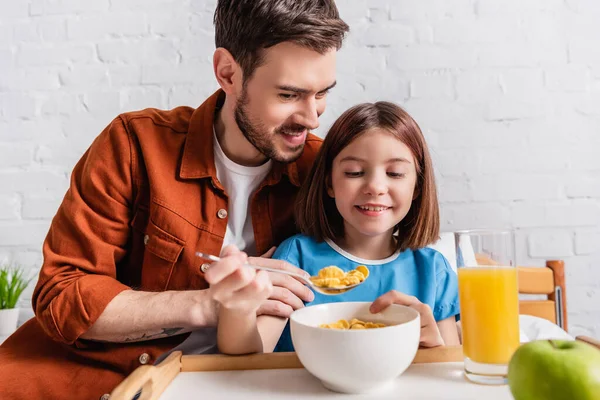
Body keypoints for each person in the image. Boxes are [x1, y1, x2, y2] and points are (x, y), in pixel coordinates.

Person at [0, 1, 349, 398]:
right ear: (228, 73)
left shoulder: (324, 173)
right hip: (79, 378)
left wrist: (428, 322)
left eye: (322, 93)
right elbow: (61, 295)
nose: (313, 117)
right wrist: (208, 305)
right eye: (289, 94)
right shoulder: (134, 145)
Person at [213, 101, 461, 355]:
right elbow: (250, 354)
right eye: (354, 172)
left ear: (417, 187)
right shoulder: (296, 258)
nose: (375, 187)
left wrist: (435, 350)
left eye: (395, 173)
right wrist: (237, 308)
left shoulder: (432, 270)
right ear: (329, 183)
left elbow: (449, 369)